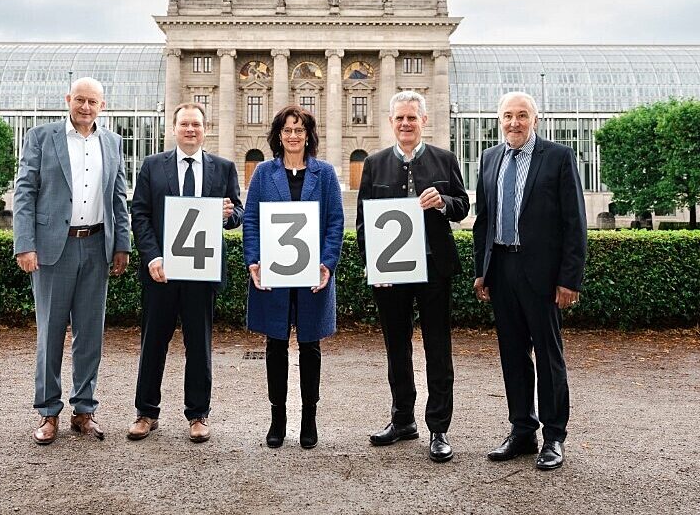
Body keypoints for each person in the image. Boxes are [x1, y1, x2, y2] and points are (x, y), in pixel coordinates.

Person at [12, 77, 131, 445]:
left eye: (92, 101)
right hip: (53, 249)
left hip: (96, 246)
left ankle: (84, 410)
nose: (85, 107)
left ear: (102, 106)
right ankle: (48, 413)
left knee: (90, 335)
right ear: (68, 99)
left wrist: (122, 246)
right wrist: (24, 244)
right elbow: (25, 192)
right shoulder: (42, 137)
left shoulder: (112, 142)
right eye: (79, 99)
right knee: (49, 333)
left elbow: (118, 197)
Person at [472, 91, 586, 471]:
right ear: (499, 120)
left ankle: (554, 435)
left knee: (549, 355)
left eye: (522, 115)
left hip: (542, 274)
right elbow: (483, 222)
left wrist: (569, 279)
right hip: (502, 269)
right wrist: (481, 271)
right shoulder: (489, 159)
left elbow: (575, 223)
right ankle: (522, 430)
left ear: (535, 120)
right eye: (507, 116)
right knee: (513, 355)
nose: (514, 122)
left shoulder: (557, 157)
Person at [356, 90, 469, 463]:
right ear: (391, 123)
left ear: (424, 121)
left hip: (434, 267)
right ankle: (402, 419)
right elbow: (363, 222)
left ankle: (438, 428)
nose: (406, 123)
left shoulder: (445, 159)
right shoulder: (374, 164)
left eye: (412, 118)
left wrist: (444, 203)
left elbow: (462, 206)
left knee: (438, 347)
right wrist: (375, 266)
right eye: (400, 118)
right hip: (391, 271)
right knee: (397, 348)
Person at [128, 102, 243, 443]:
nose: (190, 130)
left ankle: (198, 415)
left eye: (196, 124)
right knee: (153, 343)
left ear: (204, 129)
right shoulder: (152, 166)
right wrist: (152, 256)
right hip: (161, 271)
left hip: (201, 271)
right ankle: (146, 413)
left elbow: (238, 213)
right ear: (173, 129)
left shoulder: (223, 168)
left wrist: (227, 215)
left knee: (199, 345)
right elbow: (141, 214)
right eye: (184, 124)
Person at [243, 106, 343, 450]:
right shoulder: (262, 174)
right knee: (275, 346)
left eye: (299, 130)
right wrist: (253, 261)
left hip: (312, 273)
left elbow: (335, 222)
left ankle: (309, 418)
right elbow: (252, 220)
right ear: (278, 135)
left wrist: (327, 263)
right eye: (287, 130)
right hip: (274, 272)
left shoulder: (325, 174)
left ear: (308, 135)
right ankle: (277, 418)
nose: (293, 136)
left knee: (310, 347)